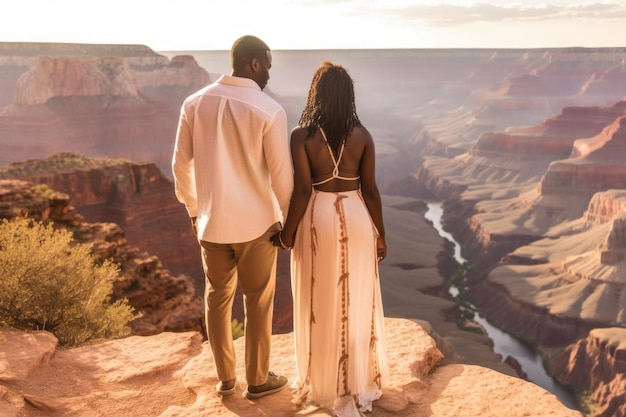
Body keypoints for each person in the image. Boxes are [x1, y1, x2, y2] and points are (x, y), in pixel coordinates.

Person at [172, 35, 293, 400]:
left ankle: (225, 379)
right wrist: (288, 223)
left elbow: (180, 166)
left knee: (217, 298)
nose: (270, 73)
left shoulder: (194, 103)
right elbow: (281, 176)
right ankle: (258, 381)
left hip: (212, 224)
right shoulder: (268, 109)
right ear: (254, 63)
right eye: (268, 65)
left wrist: (195, 211)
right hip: (257, 227)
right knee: (257, 302)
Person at [272, 61, 388, 416]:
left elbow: (304, 189)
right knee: (356, 298)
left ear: (316, 94)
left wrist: (287, 234)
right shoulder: (363, 136)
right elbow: (369, 189)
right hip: (356, 216)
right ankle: (355, 382)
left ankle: (323, 383)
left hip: (318, 217)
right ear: (348, 96)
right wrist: (381, 235)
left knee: (318, 297)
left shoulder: (302, 136)